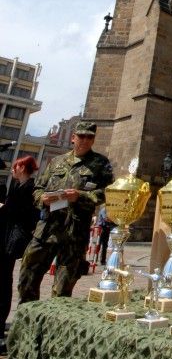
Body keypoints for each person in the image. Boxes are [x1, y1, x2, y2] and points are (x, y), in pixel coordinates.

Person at [18, 121, 113, 303]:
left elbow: (107, 193)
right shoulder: (56, 162)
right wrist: (42, 198)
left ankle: (52, 326)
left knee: (62, 292)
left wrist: (81, 196)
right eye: (81, 136)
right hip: (46, 230)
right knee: (27, 278)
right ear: (73, 137)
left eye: (90, 137)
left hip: (74, 234)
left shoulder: (101, 164)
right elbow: (38, 188)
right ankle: (28, 321)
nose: (85, 140)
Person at [0, 156, 39, 354]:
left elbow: (20, 214)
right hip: (8, 238)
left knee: (5, 282)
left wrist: (4, 209)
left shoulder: (29, 189)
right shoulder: (18, 187)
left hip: (12, 241)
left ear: (22, 167)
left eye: (15, 167)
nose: (13, 170)